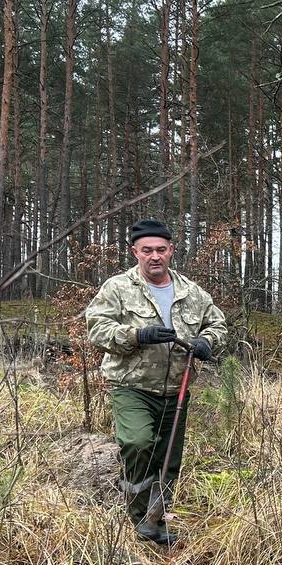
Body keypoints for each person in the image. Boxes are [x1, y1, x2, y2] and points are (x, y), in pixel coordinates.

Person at [85, 219, 227, 546]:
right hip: (131, 386)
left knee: (167, 459)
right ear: (135, 252)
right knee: (137, 444)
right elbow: (97, 330)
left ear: (171, 251)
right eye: (146, 250)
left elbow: (217, 324)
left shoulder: (192, 293)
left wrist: (207, 342)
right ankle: (139, 519)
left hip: (176, 390)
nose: (154, 256)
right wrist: (136, 335)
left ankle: (156, 521)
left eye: (161, 249)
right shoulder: (118, 288)